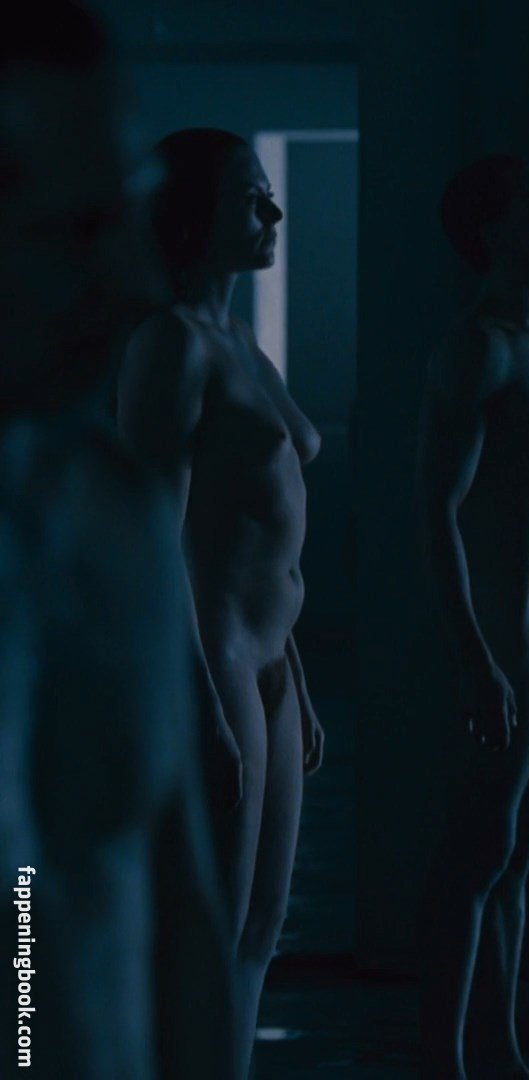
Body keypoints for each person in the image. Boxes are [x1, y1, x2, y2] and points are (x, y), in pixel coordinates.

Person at [0, 5, 240, 1074]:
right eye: (76, 232)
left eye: (131, 216)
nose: (137, 281)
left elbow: (179, 915)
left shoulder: (113, 512)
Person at [117, 125, 323, 1070]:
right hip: (220, 660)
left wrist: (300, 680)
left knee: (260, 932)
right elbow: (156, 541)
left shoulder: (240, 341)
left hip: (271, 661)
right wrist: (199, 703)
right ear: (196, 218)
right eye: (250, 196)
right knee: (210, 934)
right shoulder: (171, 346)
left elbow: (262, 538)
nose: (272, 212)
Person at [415, 155, 529, 1079]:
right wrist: (475, 655)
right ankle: (443, 1061)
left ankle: (500, 1050)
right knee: (478, 849)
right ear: (492, 233)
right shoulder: (480, 347)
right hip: (508, 619)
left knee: (520, 849)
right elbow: (435, 510)